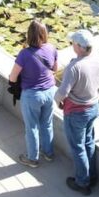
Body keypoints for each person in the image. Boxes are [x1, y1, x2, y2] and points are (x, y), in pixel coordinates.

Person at [54, 29, 99, 196]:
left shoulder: (74, 66)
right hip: (93, 108)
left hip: (76, 112)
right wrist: (93, 85)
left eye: (73, 43)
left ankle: (82, 182)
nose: (72, 46)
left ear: (79, 47)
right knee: (88, 142)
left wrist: (58, 102)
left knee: (78, 147)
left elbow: (62, 92)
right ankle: (92, 176)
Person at [9, 20, 58, 168]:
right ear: (45, 34)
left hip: (32, 95)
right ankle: (48, 153)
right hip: (50, 92)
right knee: (47, 124)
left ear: (29, 35)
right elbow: (55, 69)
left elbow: (12, 77)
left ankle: (32, 158)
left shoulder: (24, 54)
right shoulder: (52, 48)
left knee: (32, 127)